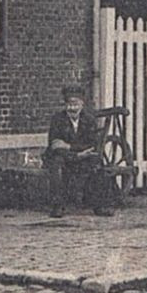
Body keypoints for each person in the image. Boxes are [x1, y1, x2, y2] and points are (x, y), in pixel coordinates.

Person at [45, 84, 114, 218]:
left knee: (97, 163)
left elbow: (92, 143)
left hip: (83, 155)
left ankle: (100, 205)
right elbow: (55, 144)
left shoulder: (88, 120)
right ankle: (58, 206)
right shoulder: (58, 119)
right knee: (57, 165)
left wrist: (71, 147)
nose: (72, 108)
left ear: (82, 104)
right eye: (69, 104)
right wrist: (75, 153)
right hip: (64, 156)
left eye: (75, 104)